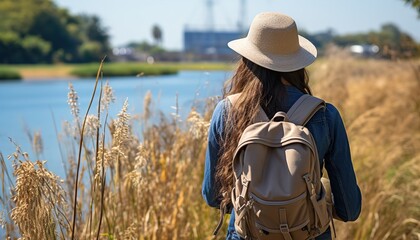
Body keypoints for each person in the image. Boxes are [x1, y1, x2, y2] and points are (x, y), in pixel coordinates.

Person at [201, 12, 362, 239]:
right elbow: (350, 209)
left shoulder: (226, 111)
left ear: (247, 60)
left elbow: (213, 196)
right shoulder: (326, 116)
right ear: (297, 63)